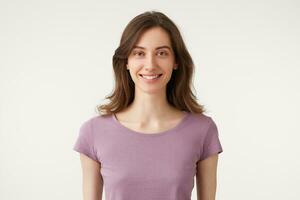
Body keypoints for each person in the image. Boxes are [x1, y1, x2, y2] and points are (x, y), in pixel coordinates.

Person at [73, 10, 223, 200]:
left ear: (175, 61)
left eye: (161, 53)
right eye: (139, 53)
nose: (150, 65)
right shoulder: (93, 132)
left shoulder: (203, 130)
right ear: (126, 61)